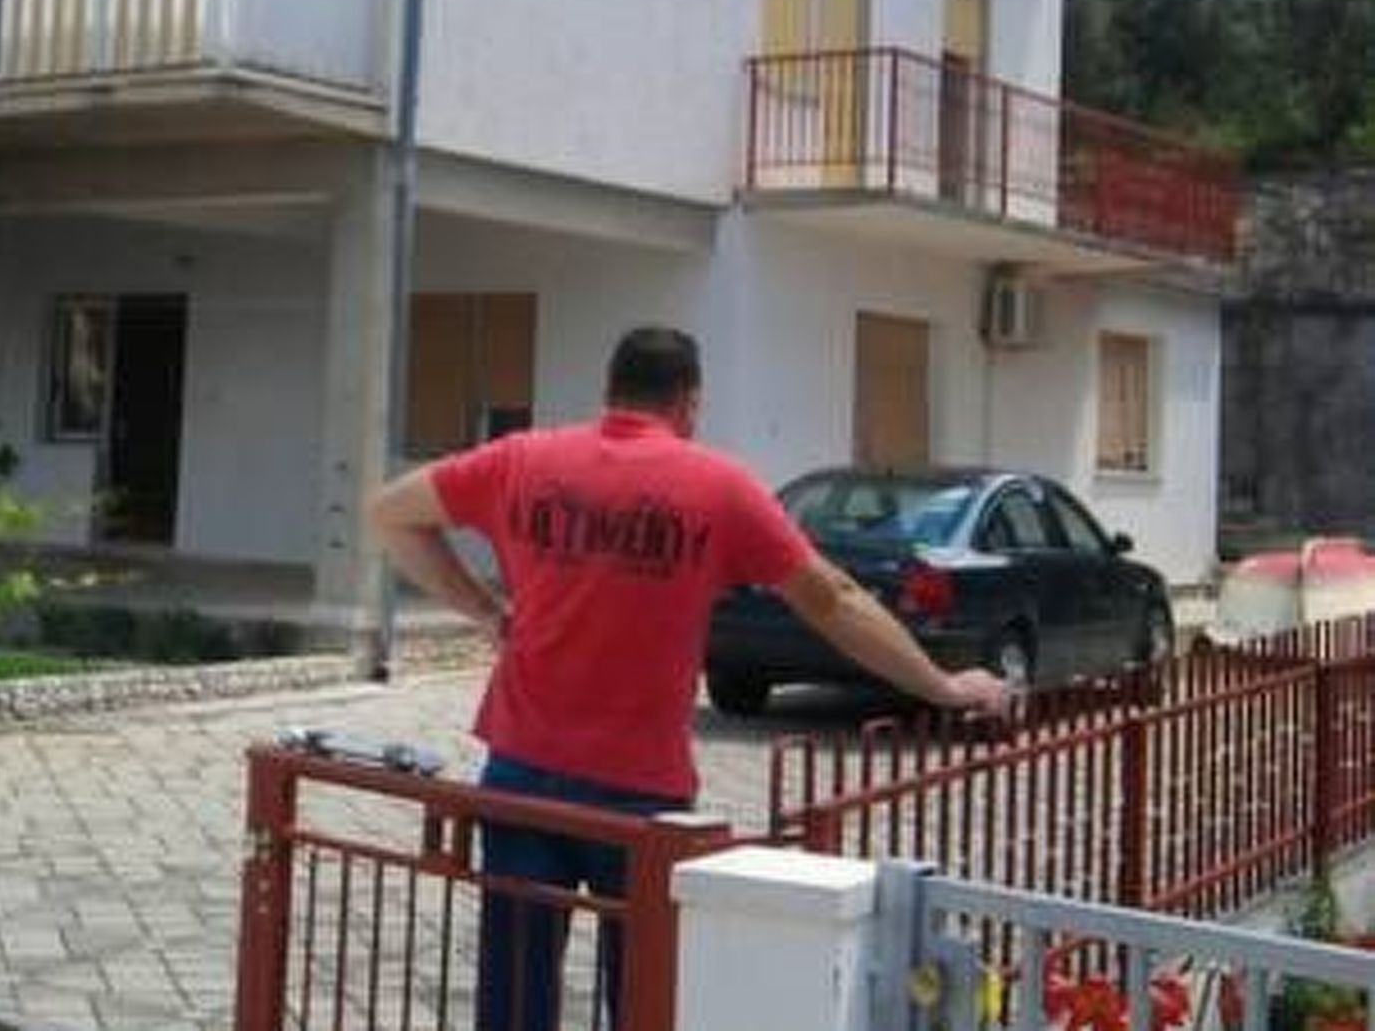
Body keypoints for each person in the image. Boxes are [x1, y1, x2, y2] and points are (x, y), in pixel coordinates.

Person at [365, 326, 1011, 1031]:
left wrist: (487, 613)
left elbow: (390, 514)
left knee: (515, 998)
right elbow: (833, 599)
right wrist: (943, 686)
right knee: (647, 997)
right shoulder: (718, 487)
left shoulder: (522, 460)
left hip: (522, 769)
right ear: (690, 402)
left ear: (609, 391)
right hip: (641, 789)